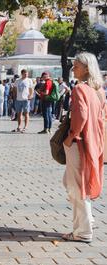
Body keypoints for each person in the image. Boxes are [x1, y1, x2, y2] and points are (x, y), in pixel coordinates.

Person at [61, 52, 106, 243]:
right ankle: (85, 221)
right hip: (94, 142)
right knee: (76, 184)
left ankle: (83, 231)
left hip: (79, 142)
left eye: (76, 65)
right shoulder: (98, 90)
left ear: (87, 68)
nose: (73, 68)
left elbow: (81, 117)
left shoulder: (80, 89)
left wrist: (70, 137)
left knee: (76, 187)